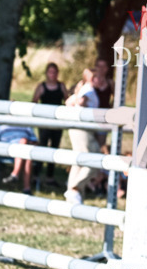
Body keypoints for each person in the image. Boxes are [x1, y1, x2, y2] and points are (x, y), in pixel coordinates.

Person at [63, 69, 107, 204]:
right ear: (93, 79)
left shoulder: (85, 88)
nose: (102, 81)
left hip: (78, 128)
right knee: (93, 160)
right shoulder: (88, 90)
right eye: (100, 78)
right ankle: (75, 188)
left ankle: (73, 194)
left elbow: (70, 102)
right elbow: (81, 101)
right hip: (82, 129)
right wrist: (80, 103)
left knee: (79, 160)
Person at [31, 62, 69, 186]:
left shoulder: (61, 86)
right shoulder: (41, 87)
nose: (53, 75)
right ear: (47, 73)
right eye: (50, 72)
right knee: (42, 146)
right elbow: (34, 102)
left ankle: (50, 177)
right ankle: (36, 175)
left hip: (57, 123)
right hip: (44, 122)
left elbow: (67, 100)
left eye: (55, 72)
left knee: (54, 148)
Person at [0, 123, 38, 195]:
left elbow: (35, 141)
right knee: (23, 143)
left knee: (25, 147)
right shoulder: (0, 123)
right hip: (6, 151)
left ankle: (16, 176)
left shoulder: (26, 124)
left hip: (24, 150)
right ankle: (26, 187)